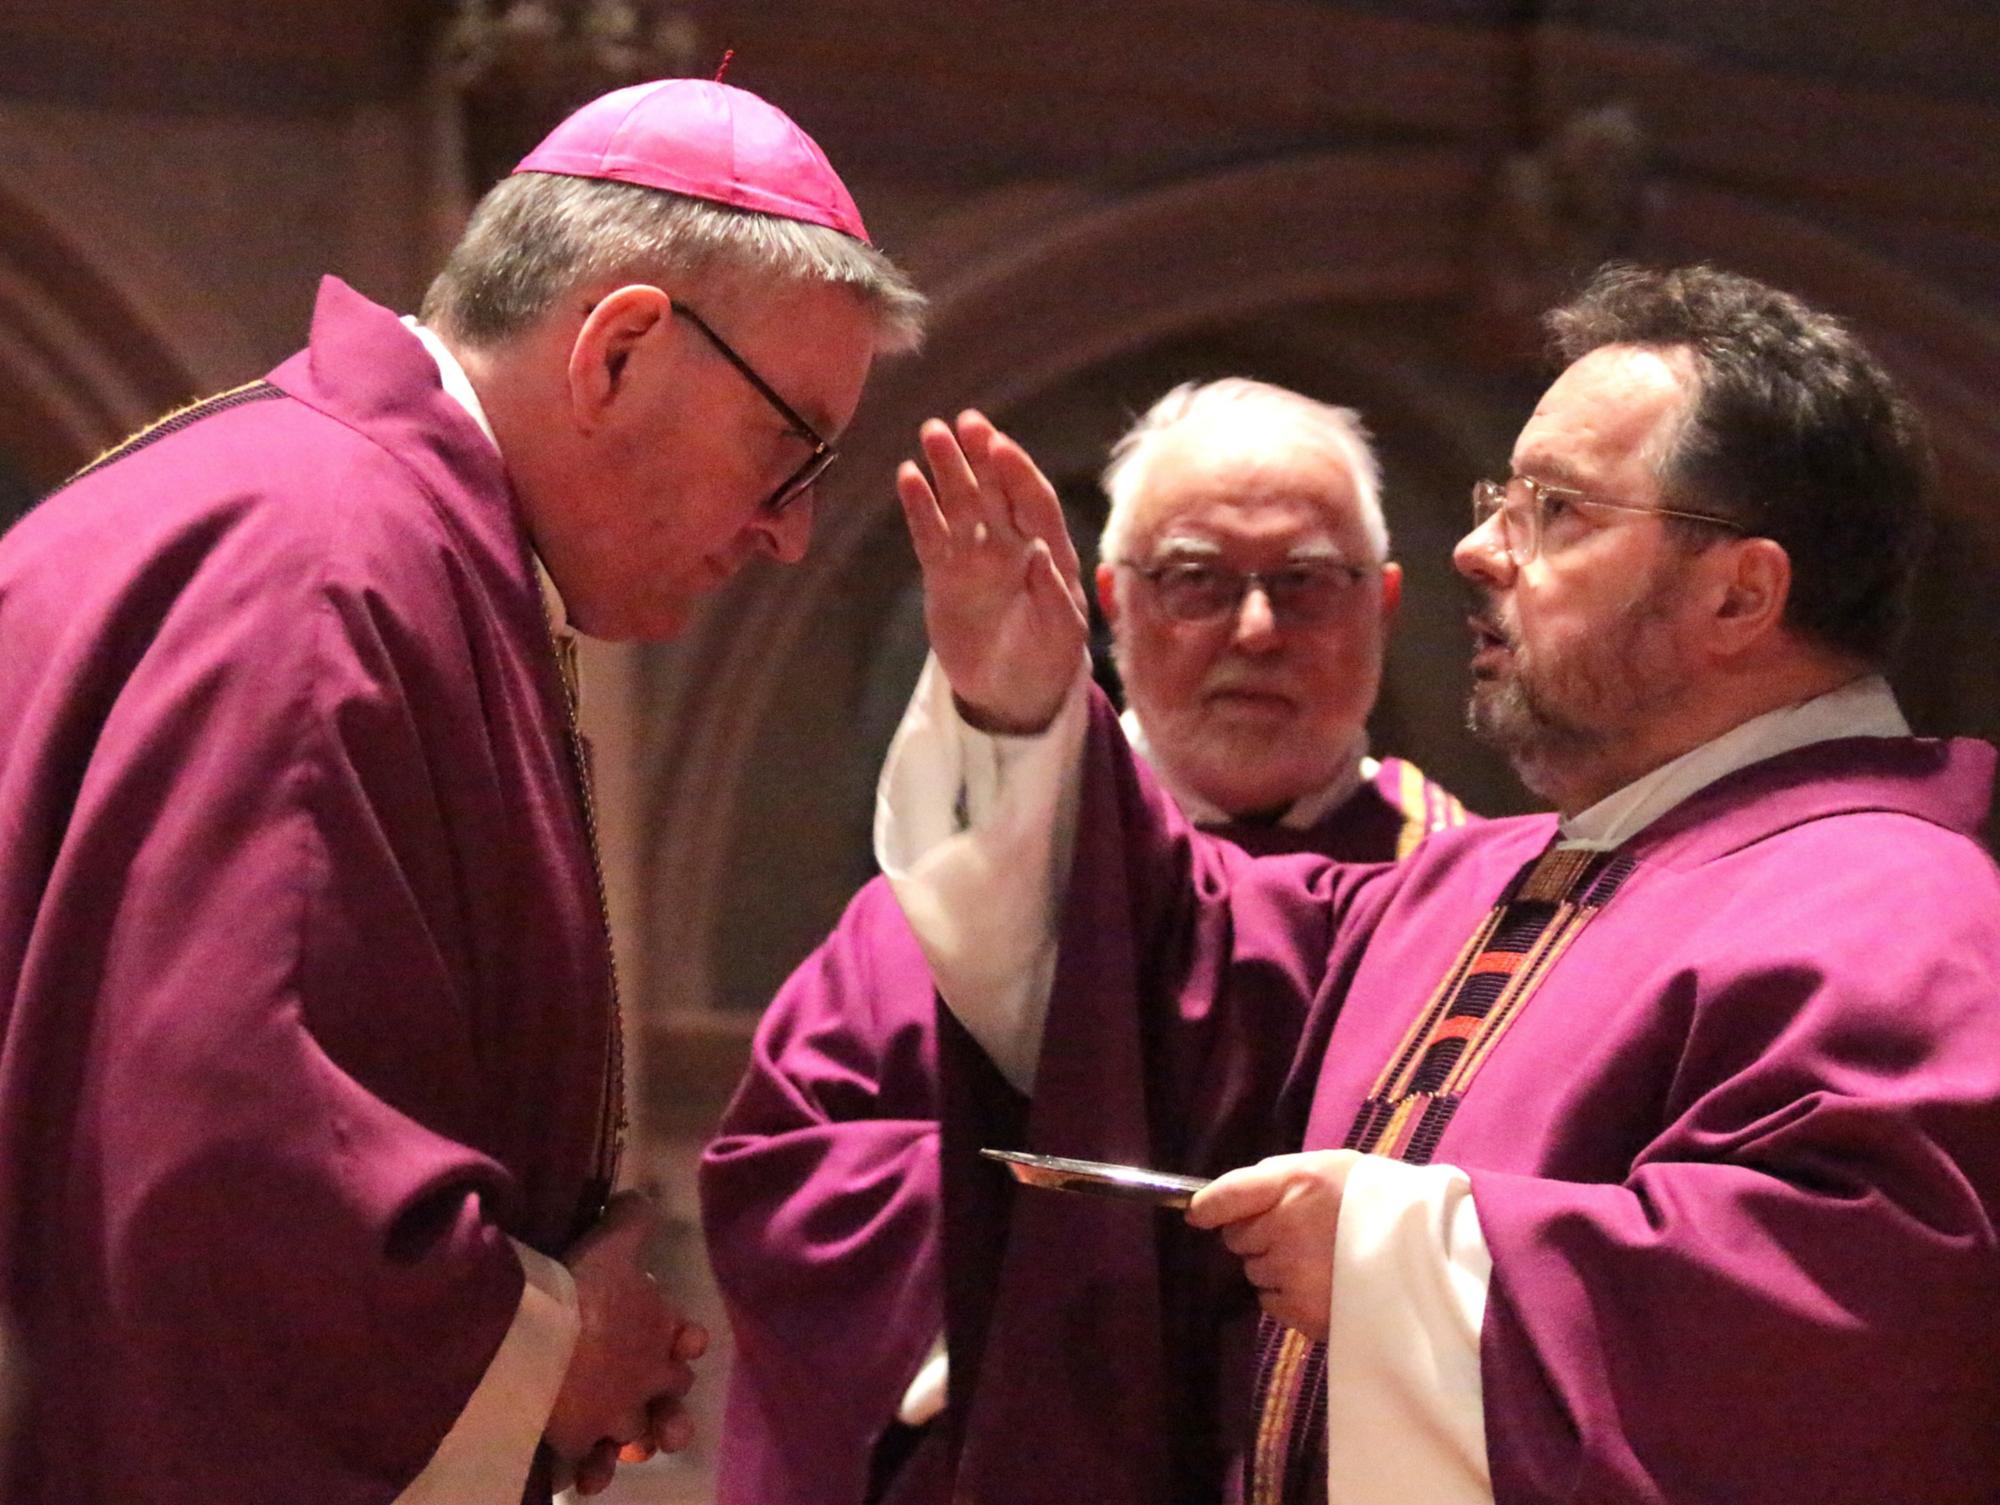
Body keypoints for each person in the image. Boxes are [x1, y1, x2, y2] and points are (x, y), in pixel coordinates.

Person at [875, 264, 2000, 1505]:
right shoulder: (1471, 881)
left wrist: (1399, 1257)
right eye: (1495, 501)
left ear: (1737, 593)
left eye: (1554, 510)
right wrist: (1021, 706)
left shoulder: (1898, 916)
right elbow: (1155, 966)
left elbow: (1846, 1340)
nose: (1474, 548)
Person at [0, 78, 924, 1505]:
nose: (789, 532)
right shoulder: (332, 575)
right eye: (788, 448)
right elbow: (241, 1172)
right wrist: (554, 1348)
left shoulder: (346, 524)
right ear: (618, 351)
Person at [700, 380, 1469, 1505]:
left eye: (1305, 582)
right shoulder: (956, 892)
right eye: (1196, 580)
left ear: (1384, 603)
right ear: (1109, 600)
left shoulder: (1478, 912)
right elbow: (791, 1180)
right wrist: (1051, 1255)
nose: (1256, 630)